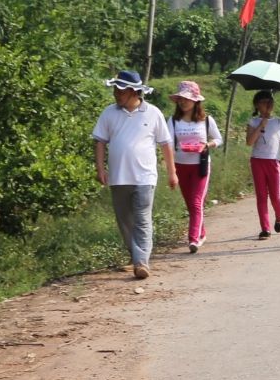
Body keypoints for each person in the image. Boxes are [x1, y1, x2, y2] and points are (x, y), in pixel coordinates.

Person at [90, 69, 177, 280]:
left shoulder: (153, 113)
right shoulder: (109, 113)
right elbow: (100, 141)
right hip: (119, 178)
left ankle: (141, 262)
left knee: (142, 219)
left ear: (134, 92)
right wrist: (100, 169)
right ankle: (136, 255)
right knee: (125, 221)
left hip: (145, 177)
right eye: (115, 90)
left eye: (120, 91)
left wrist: (172, 172)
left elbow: (166, 143)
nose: (116, 94)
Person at [168, 80, 222, 254]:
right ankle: (202, 232)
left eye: (187, 99)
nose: (183, 102)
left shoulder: (206, 120)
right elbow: (168, 143)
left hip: (200, 165)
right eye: (181, 99)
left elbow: (218, 139)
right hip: (181, 165)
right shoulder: (173, 121)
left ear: (196, 101)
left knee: (197, 201)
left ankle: (193, 238)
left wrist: (208, 144)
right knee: (190, 203)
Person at [245, 91, 280, 240]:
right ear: (257, 105)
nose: (267, 104)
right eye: (263, 102)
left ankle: (279, 216)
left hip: (274, 161)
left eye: (269, 101)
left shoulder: (279, 122)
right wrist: (261, 125)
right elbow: (249, 142)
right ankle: (265, 228)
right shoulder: (253, 122)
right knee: (261, 196)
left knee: (275, 195)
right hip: (257, 161)